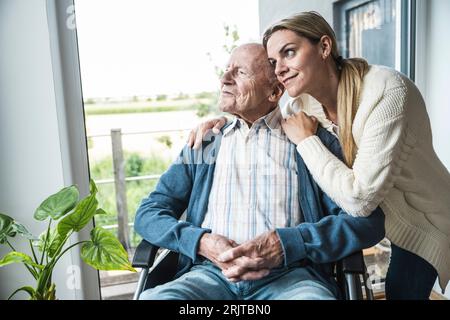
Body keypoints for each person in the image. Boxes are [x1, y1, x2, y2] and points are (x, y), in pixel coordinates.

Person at [187, 12, 450, 299]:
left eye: (289, 52)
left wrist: (307, 141)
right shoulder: (304, 103)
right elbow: (262, 117)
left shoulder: (387, 91)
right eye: (274, 62)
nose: (280, 70)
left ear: (324, 47)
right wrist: (225, 123)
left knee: (402, 292)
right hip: (380, 213)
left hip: (423, 218)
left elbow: (360, 200)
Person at [134, 43, 385, 300]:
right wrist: (200, 242)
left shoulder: (310, 141)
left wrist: (288, 244)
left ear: (275, 91)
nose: (224, 79)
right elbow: (148, 213)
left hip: (291, 279)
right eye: (226, 70)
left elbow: (366, 222)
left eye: (240, 73)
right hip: (209, 276)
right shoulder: (205, 144)